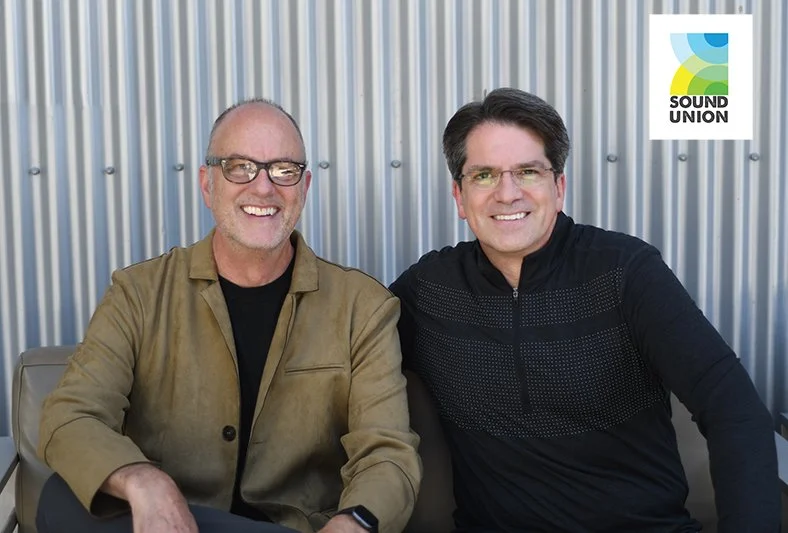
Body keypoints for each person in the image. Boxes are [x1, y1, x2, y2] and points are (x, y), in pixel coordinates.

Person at [390, 87, 779, 532]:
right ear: (459, 197)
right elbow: (346, 357)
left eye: (528, 172)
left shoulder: (625, 272)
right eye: (484, 175)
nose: (507, 193)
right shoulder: (430, 289)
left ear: (558, 187)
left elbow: (733, 407)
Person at [37, 98, 421, 533]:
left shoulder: (362, 307)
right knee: (63, 496)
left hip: (291, 525)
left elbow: (387, 453)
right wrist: (144, 482)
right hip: (168, 524)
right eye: (239, 166)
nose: (263, 188)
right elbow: (71, 415)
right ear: (206, 184)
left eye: (283, 170)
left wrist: (355, 521)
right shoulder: (139, 294)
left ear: (305, 186)